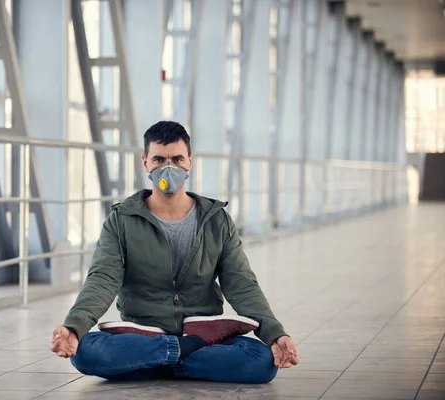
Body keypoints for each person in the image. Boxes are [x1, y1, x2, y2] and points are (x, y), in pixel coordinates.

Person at [50, 121, 299, 383]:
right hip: (146, 332)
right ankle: (184, 356)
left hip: (202, 332)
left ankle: (154, 361)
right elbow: (102, 278)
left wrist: (274, 332)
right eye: (159, 159)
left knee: (261, 361)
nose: (168, 167)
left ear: (189, 161)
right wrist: (74, 325)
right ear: (145, 162)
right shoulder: (122, 220)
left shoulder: (216, 220)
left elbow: (240, 282)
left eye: (177, 158)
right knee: (85, 352)